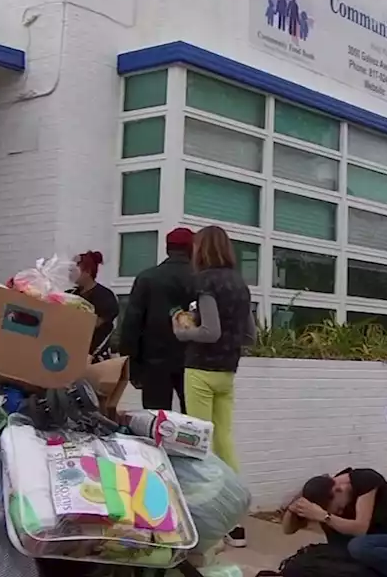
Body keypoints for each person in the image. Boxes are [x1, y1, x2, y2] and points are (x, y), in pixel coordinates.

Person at [172, 225, 254, 548]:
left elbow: (210, 331)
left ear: (201, 249)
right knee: (224, 441)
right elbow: (250, 336)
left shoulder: (205, 282)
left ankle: (204, 521)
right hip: (227, 372)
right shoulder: (240, 284)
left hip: (200, 370)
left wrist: (182, 332)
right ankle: (235, 523)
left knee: (198, 445)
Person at [284, 469, 387, 577]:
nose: (340, 513)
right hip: (371, 552)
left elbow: (360, 529)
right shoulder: (321, 492)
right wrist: (293, 508)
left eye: (339, 509)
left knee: (359, 546)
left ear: (338, 490)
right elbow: (288, 530)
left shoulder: (366, 481)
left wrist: (325, 516)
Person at [120, 227, 195, 412]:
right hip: (193, 362)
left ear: (167, 248)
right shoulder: (200, 278)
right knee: (194, 422)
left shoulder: (147, 278)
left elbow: (132, 322)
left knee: (157, 421)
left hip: (154, 362)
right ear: (192, 248)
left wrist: (132, 364)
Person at [68, 251, 120, 361]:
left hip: (94, 356)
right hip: (70, 354)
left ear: (87, 272)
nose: (70, 274)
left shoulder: (105, 297)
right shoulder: (70, 294)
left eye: (74, 271)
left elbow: (92, 324)